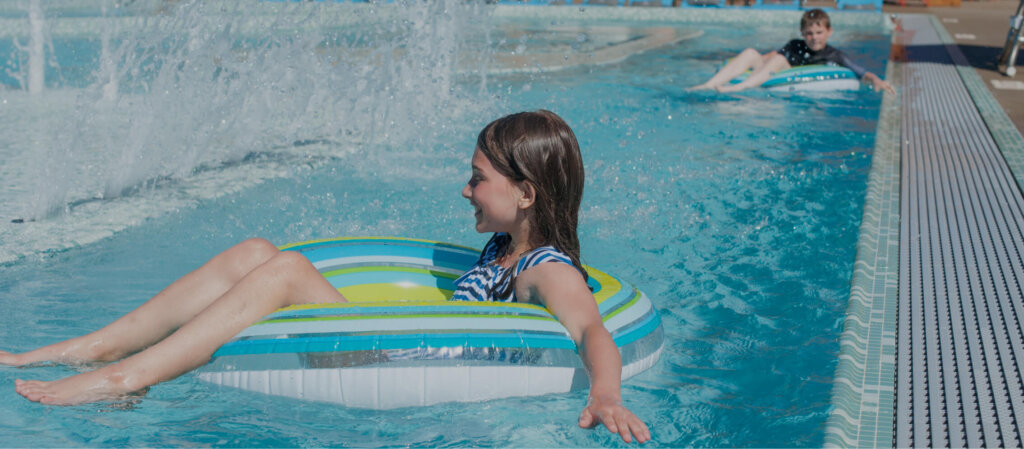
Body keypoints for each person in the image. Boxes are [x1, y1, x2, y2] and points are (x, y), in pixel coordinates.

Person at [1, 110, 651, 444]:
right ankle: (94, 347)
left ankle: (126, 376)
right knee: (256, 249)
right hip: (379, 340)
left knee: (285, 268)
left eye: (479, 177)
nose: (465, 188)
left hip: (390, 362)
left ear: (528, 193)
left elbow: (592, 325)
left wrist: (606, 393)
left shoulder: (544, 268)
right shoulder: (504, 247)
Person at [689, 8, 895, 94]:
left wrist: (876, 80)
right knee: (753, 53)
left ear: (829, 32)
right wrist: (747, 62)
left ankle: (737, 88)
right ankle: (708, 84)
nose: (813, 37)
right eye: (809, 33)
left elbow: (859, 71)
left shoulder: (835, 55)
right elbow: (769, 56)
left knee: (779, 61)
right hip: (771, 70)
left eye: (818, 32)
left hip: (782, 73)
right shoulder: (795, 44)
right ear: (802, 33)